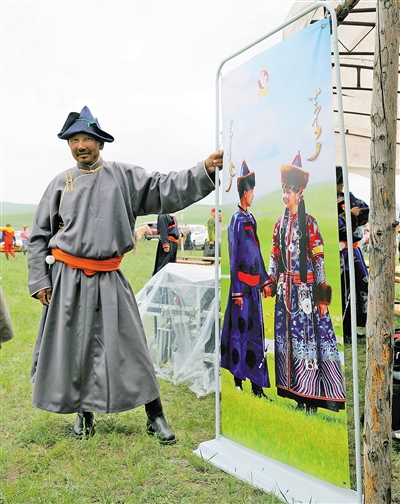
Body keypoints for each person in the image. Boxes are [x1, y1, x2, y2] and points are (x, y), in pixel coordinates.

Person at [28, 105, 223, 443]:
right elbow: (38, 237)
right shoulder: (60, 184)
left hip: (109, 276)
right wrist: (39, 280)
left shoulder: (123, 177)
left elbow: (165, 187)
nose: (80, 146)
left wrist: (203, 170)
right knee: (74, 348)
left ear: (100, 142)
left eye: (87, 138)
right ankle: (83, 414)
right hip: (67, 279)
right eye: (73, 140)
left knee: (133, 347)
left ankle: (155, 414)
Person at [267, 155, 346, 413]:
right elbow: (274, 256)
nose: (285, 196)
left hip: (305, 295)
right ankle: (296, 394)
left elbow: (319, 260)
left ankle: (311, 399)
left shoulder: (310, 223)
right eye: (283, 191)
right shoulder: (279, 225)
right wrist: (270, 281)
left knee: (308, 342)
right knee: (288, 342)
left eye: (288, 191)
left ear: (299, 193)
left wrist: (322, 297)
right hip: (285, 294)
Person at [220, 160, 271, 398]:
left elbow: (257, 253)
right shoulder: (236, 220)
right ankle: (238, 381)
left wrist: (265, 280)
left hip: (254, 290)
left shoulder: (251, 218)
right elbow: (234, 256)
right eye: (252, 192)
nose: (253, 195)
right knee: (239, 334)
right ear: (244, 192)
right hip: (241, 289)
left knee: (255, 335)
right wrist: (237, 290)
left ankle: (257, 386)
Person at [336, 166, 369, 342]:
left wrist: (355, 213)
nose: (343, 184)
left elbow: (364, 210)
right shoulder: (327, 200)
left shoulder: (347, 196)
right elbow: (335, 226)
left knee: (358, 289)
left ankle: (351, 329)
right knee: (342, 292)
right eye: (341, 181)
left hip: (354, 252)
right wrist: (347, 214)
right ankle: (340, 332)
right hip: (339, 254)